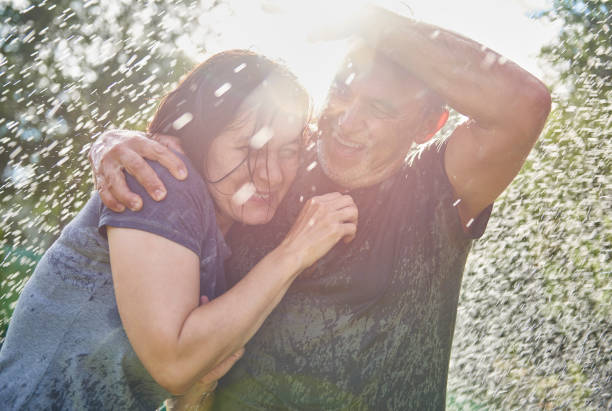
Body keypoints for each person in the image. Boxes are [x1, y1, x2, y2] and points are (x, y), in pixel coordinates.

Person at [89, 6, 551, 409]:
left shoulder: (434, 185)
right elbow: (186, 152)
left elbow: (524, 105)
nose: (347, 121)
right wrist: (116, 142)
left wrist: (365, 18)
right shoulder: (273, 169)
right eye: (341, 91)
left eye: (380, 108)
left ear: (430, 125)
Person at [0, 50, 359, 410]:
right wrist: (296, 251)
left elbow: (182, 399)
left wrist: (201, 383)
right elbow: (173, 364)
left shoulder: (217, 243)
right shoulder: (161, 182)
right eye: (249, 148)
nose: (272, 174)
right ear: (199, 140)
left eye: (289, 151)